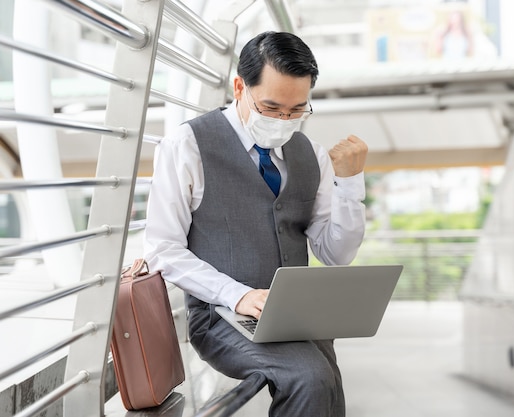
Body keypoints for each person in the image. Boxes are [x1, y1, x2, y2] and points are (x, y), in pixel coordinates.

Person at [143, 31, 368, 417]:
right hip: (221, 316)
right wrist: (238, 295)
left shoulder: (311, 155)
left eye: (297, 109)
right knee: (309, 378)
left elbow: (336, 254)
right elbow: (163, 248)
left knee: (328, 386)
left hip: (297, 315)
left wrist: (349, 184)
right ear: (239, 87)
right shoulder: (187, 146)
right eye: (271, 107)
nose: (284, 120)